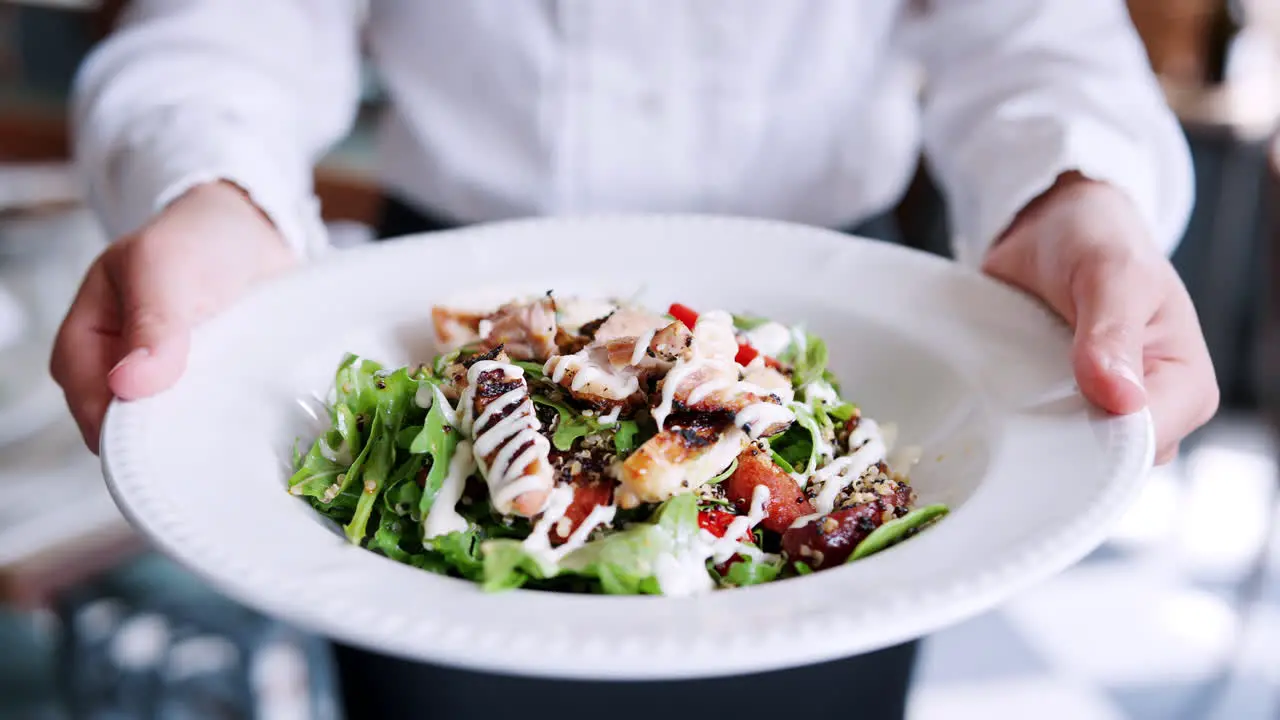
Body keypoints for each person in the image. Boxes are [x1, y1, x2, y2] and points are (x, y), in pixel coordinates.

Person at [54, 2, 1219, 718]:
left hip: (827, 303)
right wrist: (212, 188)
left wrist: (1074, 194)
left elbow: (1036, 36)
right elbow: (231, 23)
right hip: (447, 296)